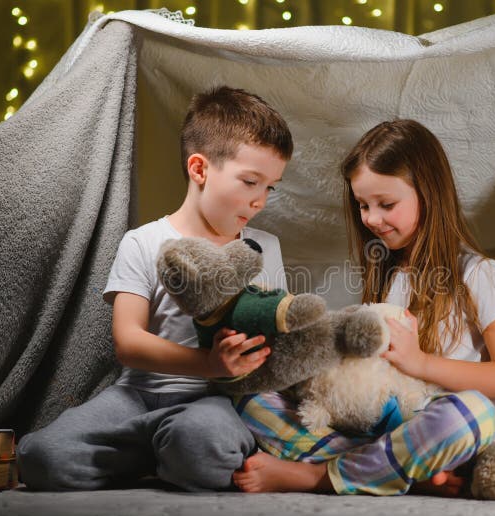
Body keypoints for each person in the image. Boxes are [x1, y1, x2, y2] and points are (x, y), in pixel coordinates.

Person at [233, 119, 495, 496]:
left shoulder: (478, 273)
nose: (372, 219)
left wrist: (421, 363)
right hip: (380, 425)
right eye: (363, 205)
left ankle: (319, 476)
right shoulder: (388, 273)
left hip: (438, 426)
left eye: (386, 204)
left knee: (476, 415)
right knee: (249, 396)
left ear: (429, 193)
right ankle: (400, 472)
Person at [16, 86, 293, 491]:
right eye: (250, 182)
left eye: (270, 187)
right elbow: (128, 342)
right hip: (136, 396)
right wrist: (209, 362)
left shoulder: (262, 248)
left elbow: (276, 337)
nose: (260, 201)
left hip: (213, 402)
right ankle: (157, 455)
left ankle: (168, 452)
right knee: (42, 457)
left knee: (204, 444)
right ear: (199, 169)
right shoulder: (143, 241)